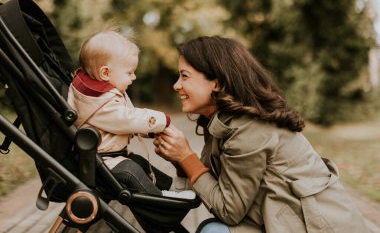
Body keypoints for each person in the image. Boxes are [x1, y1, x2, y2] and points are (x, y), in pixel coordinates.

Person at [153, 35, 371, 232]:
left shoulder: (248, 130)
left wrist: (186, 157)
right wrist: (178, 158)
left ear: (217, 83)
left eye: (185, 76)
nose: (176, 85)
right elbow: (209, 182)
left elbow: (229, 210)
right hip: (277, 222)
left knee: (214, 232)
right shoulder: (223, 122)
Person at [67, 29, 195, 199]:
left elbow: (125, 120)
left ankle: (174, 187)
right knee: (131, 170)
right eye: (129, 72)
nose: (134, 77)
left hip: (110, 157)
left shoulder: (101, 93)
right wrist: (161, 121)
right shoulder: (99, 102)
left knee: (139, 162)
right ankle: (159, 200)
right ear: (105, 73)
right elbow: (127, 118)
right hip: (100, 163)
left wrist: (150, 130)